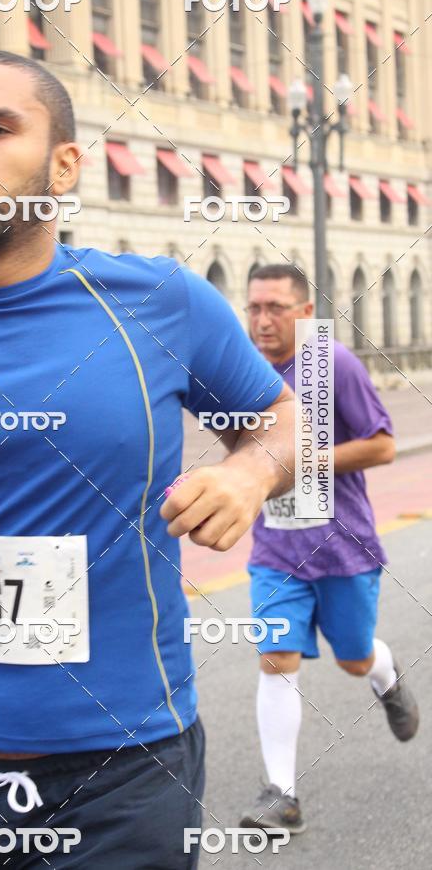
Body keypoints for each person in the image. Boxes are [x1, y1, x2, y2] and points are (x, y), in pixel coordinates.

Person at [0, 51, 295, 869]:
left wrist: (248, 474)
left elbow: (291, 423)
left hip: (130, 766)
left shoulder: (160, 301)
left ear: (66, 165)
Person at [239, 263, 419, 835]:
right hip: (275, 549)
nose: (262, 320)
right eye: (254, 307)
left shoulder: (332, 363)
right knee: (276, 658)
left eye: (275, 308)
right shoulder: (242, 370)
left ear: (305, 313)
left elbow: (382, 446)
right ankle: (282, 795)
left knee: (353, 657)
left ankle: (385, 675)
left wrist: (305, 460)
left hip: (344, 547)